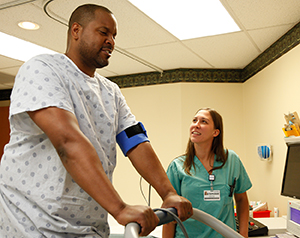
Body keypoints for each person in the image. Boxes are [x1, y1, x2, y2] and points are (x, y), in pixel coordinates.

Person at [0, 4, 192, 238]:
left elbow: (135, 141)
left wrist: (168, 193)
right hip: (34, 224)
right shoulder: (42, 69)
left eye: (114, 35)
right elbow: (67, 142)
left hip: (89, 227)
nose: (111, 41)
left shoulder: (111, 91)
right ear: (76, 30)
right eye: (104, 32)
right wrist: (120, 208)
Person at [162, 108, 252, 238]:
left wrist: (243, 235)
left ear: (215, 132)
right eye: (194, 120)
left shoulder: (231, 160)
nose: (196, 125)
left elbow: (242, 199)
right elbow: (170, 213)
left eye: (203, 121)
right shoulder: (178, 166)